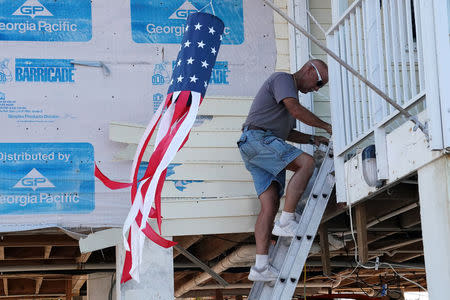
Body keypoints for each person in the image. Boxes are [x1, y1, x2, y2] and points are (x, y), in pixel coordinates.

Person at [237, 59, 332, 282]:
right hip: (258, 139)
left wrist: (312, 138)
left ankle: (260, 267)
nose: (316, 89)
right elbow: (295, 110)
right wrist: (326, 126)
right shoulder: (283, 80)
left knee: (269, 205)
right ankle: (287, 221)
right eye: (319, 83)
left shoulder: (289, 99)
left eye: (321, 87)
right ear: (309, 70)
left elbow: (287, 133)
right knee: (306, 163)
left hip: (255, 145)